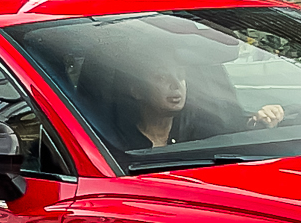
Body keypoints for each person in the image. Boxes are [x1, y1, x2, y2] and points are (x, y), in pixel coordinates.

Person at [96, 52, 286, 152]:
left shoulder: (203, 133)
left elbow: (236, 139)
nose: (176, 85)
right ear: (136, 90)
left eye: (181, 76)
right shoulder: (115, 145)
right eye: (162, 77)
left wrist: (260, 121)